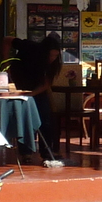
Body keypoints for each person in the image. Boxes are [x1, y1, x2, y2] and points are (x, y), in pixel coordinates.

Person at [25, 38, 65, 167]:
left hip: (38, 91)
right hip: (24, 85)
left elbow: (46, 83)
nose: (53, 58)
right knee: (27, 121)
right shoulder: (30, 50)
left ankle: (46, 151)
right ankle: (26, 152)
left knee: (45, 120)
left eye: (56, 55)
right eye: (50, 55)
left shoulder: (53, 64)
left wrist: (31, 94)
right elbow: (7, 40)